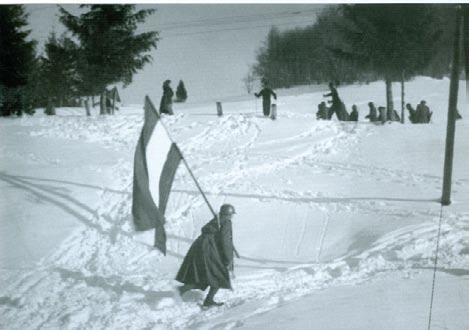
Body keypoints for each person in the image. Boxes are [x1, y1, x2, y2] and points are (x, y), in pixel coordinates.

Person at [176, 204, 236, 307]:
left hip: (200, 247)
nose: (232, 217)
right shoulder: (226, 222)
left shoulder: (217, 219)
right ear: (229, 215)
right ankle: (207, 300)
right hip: (208, 250)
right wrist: (229, 259)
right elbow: (225, 242)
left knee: (204, 275)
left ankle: (181, 290)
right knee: (218, 275)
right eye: (231, 215)